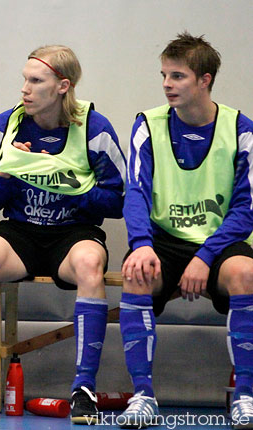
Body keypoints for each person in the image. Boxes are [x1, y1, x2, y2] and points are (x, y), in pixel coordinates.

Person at [0, 45, 125, 424]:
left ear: (63, 86)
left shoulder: (94, 129)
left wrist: (73, 185)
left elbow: (118, 202)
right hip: (21, 234)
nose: (25, 89)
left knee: (89, 264)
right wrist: (6, 174)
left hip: (74, 234)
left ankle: (83, 388)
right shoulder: (5, 126)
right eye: (24, 80)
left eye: (35, 81)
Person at [118, 32, 253, 429]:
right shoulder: (148, 124)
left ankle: (245, 395)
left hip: (219, 244)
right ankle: (142, 396)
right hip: (163, 241)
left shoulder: (240, 129)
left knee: (246, 274)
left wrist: (205, 257)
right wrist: (141, 245)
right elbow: (136, 193)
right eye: (164, 75)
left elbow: (246, 209)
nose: (166, 84)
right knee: (136, 272)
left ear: (204, 80)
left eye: (177, 76)